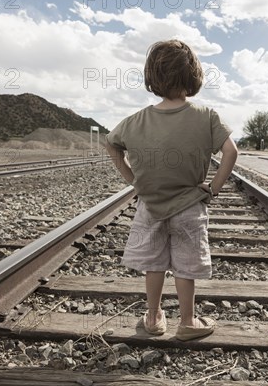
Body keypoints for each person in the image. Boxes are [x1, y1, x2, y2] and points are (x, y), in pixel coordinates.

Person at [105, 39, 238, 341]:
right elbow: (231, 153)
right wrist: (212, 190)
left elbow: (110, 143)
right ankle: (188, 322)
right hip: (190, 206)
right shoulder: (206, 115)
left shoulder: (136, 120)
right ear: (194, 76)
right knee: (185, 265)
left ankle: (153, 319)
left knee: (154, 264)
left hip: (150, 206)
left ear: (152, 77)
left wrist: (132, 180)